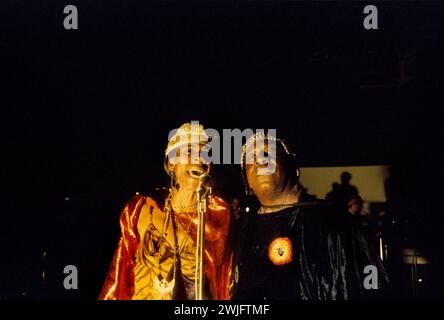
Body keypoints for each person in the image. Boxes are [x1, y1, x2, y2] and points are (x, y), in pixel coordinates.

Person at [231, 132, 388, 300]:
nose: (259, 160)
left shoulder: (333, 220)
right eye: (251, 158)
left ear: (291, 165)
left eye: (268, 152)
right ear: (246, 181)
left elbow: (372, 283)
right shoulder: (242, 229)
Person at [99, 123, 232, 300]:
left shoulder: (217, 215)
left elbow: (224, 283)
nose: (200, 160)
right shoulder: (141, 209)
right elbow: (119, 277)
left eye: (206, 154)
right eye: (190, 152)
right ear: (171, 163)